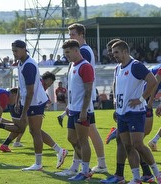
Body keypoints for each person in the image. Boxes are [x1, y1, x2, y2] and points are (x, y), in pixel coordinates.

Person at [56, 23, 107, 176]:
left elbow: (87, 81)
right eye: (69, 35)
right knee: (81, 136)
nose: (70, 37)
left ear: (81, 35)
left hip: (84, 102)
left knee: (86, 136)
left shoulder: (83, 51)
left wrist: (83, 106)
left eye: (73, 34)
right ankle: (90, 165)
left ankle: (83, 167)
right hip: (77, 103)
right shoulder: (75, 57)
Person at [111, 40, 161, 183]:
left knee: (138, 144)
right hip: (122, 113)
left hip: (135, 113)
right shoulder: (117, 68)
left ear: (125, 52)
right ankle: (136, 178)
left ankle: (157, 174)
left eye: (117, 52)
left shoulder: (136, 66)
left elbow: (152, 81)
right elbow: (117, 89)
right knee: (127, 146)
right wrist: (116, 107)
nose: (114, 55)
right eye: (113, 53)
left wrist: (141, 99)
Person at [0, 72, 68, 169]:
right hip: (29, 105)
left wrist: (23, 105)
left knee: (31, 130)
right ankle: (57, 152)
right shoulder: (37, 80)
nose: (50, 84)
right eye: (51, 82)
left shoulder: (37, 81)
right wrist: (19, 102)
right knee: (32, 130)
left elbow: (28, 92)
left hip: (31, 106)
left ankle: (46, 158)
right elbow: (22, 89)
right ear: (47, 79)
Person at [10, 40, 58, 171]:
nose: (14, 53)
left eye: (16, 51)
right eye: (13, 51)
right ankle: (59, 150)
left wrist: (24, 112)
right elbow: (21, 84)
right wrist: (17, 100)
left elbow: (30, 91)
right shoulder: (21, 63)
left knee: (34, 131)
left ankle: (38, 164)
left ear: (24, 49)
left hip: (35, 101)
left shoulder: (29, 65)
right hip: (31, 101)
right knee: (35, 130)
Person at [55, 39, 94, 181]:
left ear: (76, 50)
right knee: (71, 138)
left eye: (68, 52)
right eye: (65, 53)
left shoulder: (86, 66)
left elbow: (88, 90)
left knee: (83, 141)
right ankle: (78, 167)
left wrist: (84, 110)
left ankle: (85, 171)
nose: (66, 55)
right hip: (73, 109)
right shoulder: (72, 65)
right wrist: (69, 106)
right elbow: (74, 89)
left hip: (81, 110)